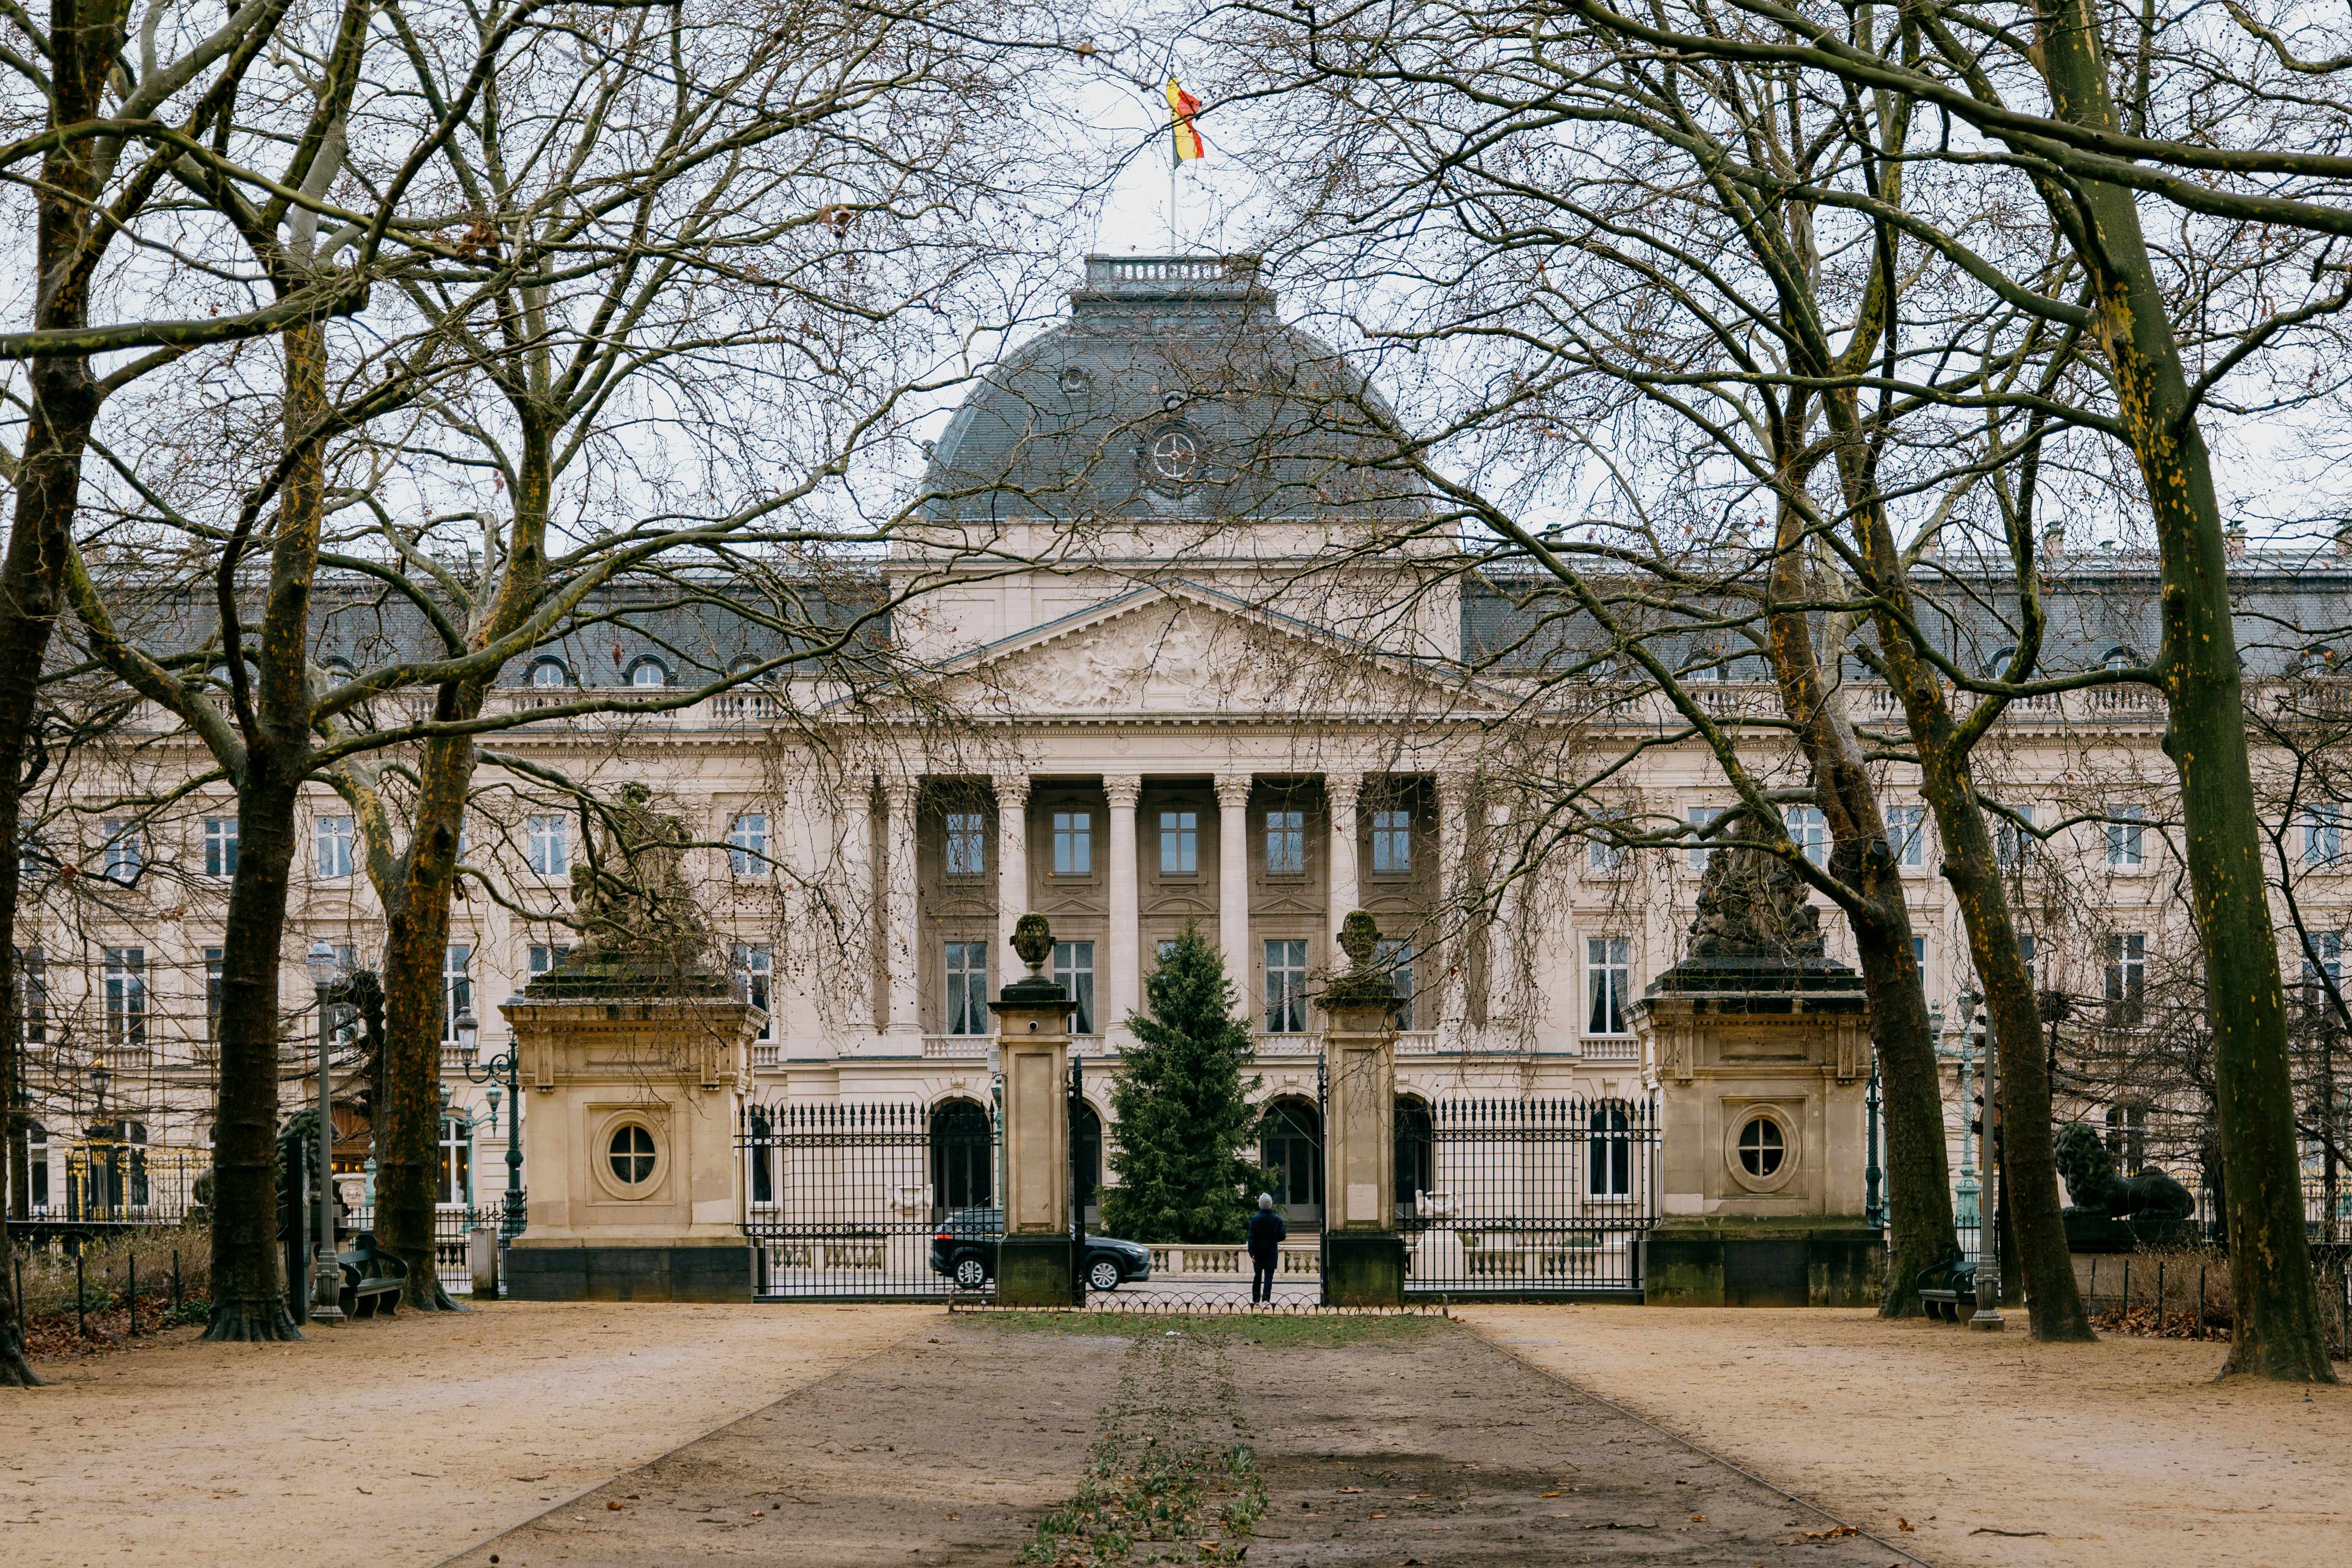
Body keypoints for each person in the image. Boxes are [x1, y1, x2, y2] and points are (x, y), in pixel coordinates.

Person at [1246, 1192, 1286, 1304]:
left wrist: (1252, 1253)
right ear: (1271, 1205)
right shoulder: (1276, 1220)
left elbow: (1251, 1238)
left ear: (1260, 1205)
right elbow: (1282, 1236)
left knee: (1257, 1276)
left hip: (1258, 1252)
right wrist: (1274, 1239)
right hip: (1271, 1252)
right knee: (1269, 1277)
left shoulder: (1255, 1219)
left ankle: (1256, 1299)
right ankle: (1266, 1300)